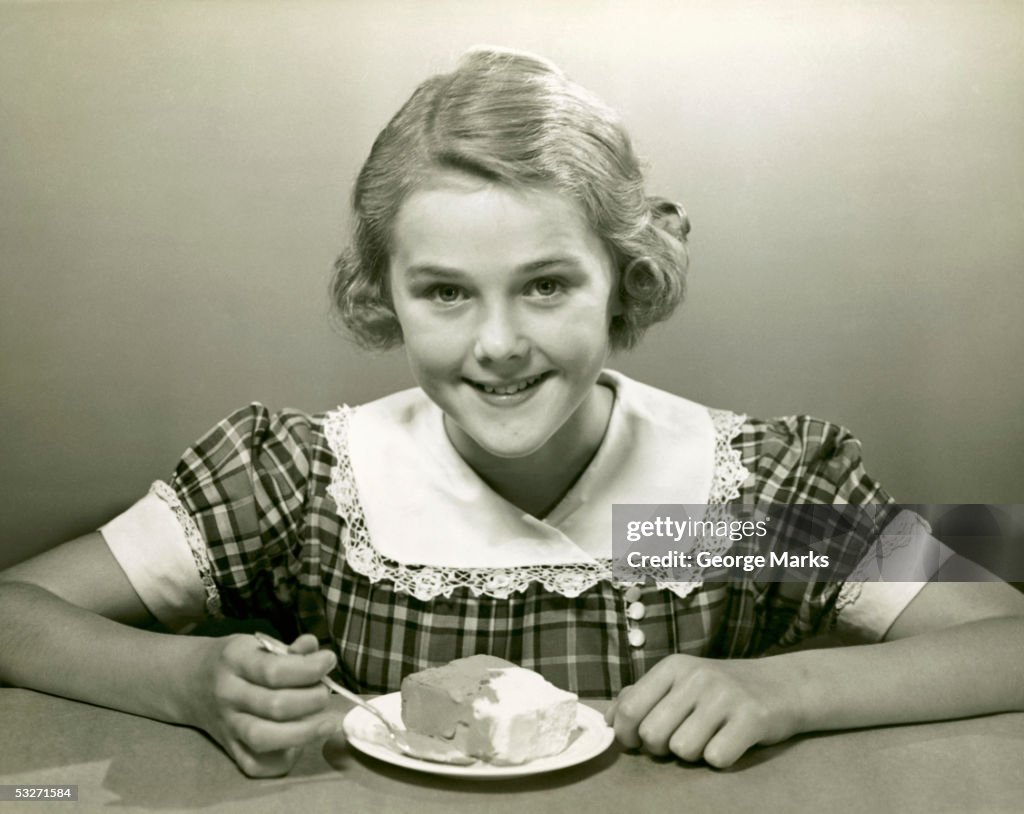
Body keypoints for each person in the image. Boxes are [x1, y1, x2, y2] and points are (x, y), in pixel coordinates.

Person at [1, 47, 1021, 779]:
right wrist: (180, 680)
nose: (497, 344)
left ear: (621, 279)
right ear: (383, 291)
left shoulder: (729, 500)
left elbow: (1005, 640)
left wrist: (784, 691)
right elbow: (14, 613)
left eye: (545, 285)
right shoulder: (309, 480)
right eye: (446, 292)